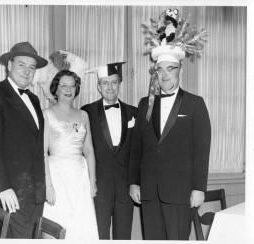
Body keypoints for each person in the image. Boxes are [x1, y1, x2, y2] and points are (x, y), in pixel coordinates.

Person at [128, 10, 211, 240]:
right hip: (149, 192)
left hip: (180, 192)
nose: (164, 75)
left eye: (170, 69)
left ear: (180, 70)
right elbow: (137, 149)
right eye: (160, 69)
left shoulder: (195, 104)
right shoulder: (146, 103)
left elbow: (201, 151)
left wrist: (198, 188)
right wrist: (134, 182)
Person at [0, 41, 48, 238]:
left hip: (35, 194)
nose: (27, 71)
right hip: (12, 192)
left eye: (32, 67)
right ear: (9, 65)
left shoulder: (34, 99)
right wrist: (2, 188)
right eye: (21, 64)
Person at [82, 62, 137, 240]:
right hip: (99, 189)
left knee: (123, 237)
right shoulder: (86, 112)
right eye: (105, 83)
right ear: (98, 87)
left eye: (114, 82)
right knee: (99, 237)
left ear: (120, 84)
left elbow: (138, 152)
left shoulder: (134, 112)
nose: (110, 87)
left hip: (125, 190)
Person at [42, 69, 99, 240]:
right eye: (64, 86)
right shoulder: (46, 114)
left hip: (79, 177)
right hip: (57, 177)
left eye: (72, 86)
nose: (68, 90)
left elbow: (89, 150)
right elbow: (42, 152)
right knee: (57, 223)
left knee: (80, 225)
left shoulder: (83, 115)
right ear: (56, 89)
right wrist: (48, 185)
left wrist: (92, 181)